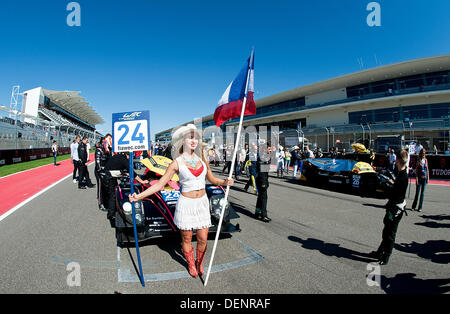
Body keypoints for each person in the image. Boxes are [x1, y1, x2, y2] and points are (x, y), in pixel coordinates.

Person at [129, 124, 234, 278]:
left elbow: (211, 178)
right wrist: (139, 196)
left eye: (196, 138)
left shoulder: (203, 158)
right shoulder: (176, 162)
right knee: (186, 237)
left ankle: (199, 262)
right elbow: (159, 184)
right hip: (186, 203)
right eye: (190, 137)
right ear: (183, 141)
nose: (194, 141)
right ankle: (191, 263)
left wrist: (224, 181)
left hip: (202, 203)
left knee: (203, 238)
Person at [369, 150, 409, 265]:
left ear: (399, 160)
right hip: (395, 205)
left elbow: (395, 194)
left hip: (396, 208)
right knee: (386, 230)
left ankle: (385, 257)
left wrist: (388, 187)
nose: (395, 161)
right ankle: (380, 252)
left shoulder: (403, 176)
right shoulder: (401, 174)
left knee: (390, 233)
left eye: (397, 159)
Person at [103, 152, 149, 220]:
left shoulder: (119, 156)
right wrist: (142, 181)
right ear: (128, 155)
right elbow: (132, 173)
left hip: (107, 175)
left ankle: (113, 209)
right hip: (109, 177)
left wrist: (124, 173)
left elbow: (115, 166)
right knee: (113, 195)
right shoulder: (124, 160)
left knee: (113, 194)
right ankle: (111, 215)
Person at [255, 144, 272, 222]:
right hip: (262, 180)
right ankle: (263, 215)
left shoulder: (265, 157)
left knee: (260, 197)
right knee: (264, 198)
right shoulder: (262, 158)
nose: (270, 150)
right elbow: (262, 172)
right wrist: (264, 183)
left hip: (263, 179)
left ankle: (258, 212)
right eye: (269, 149)